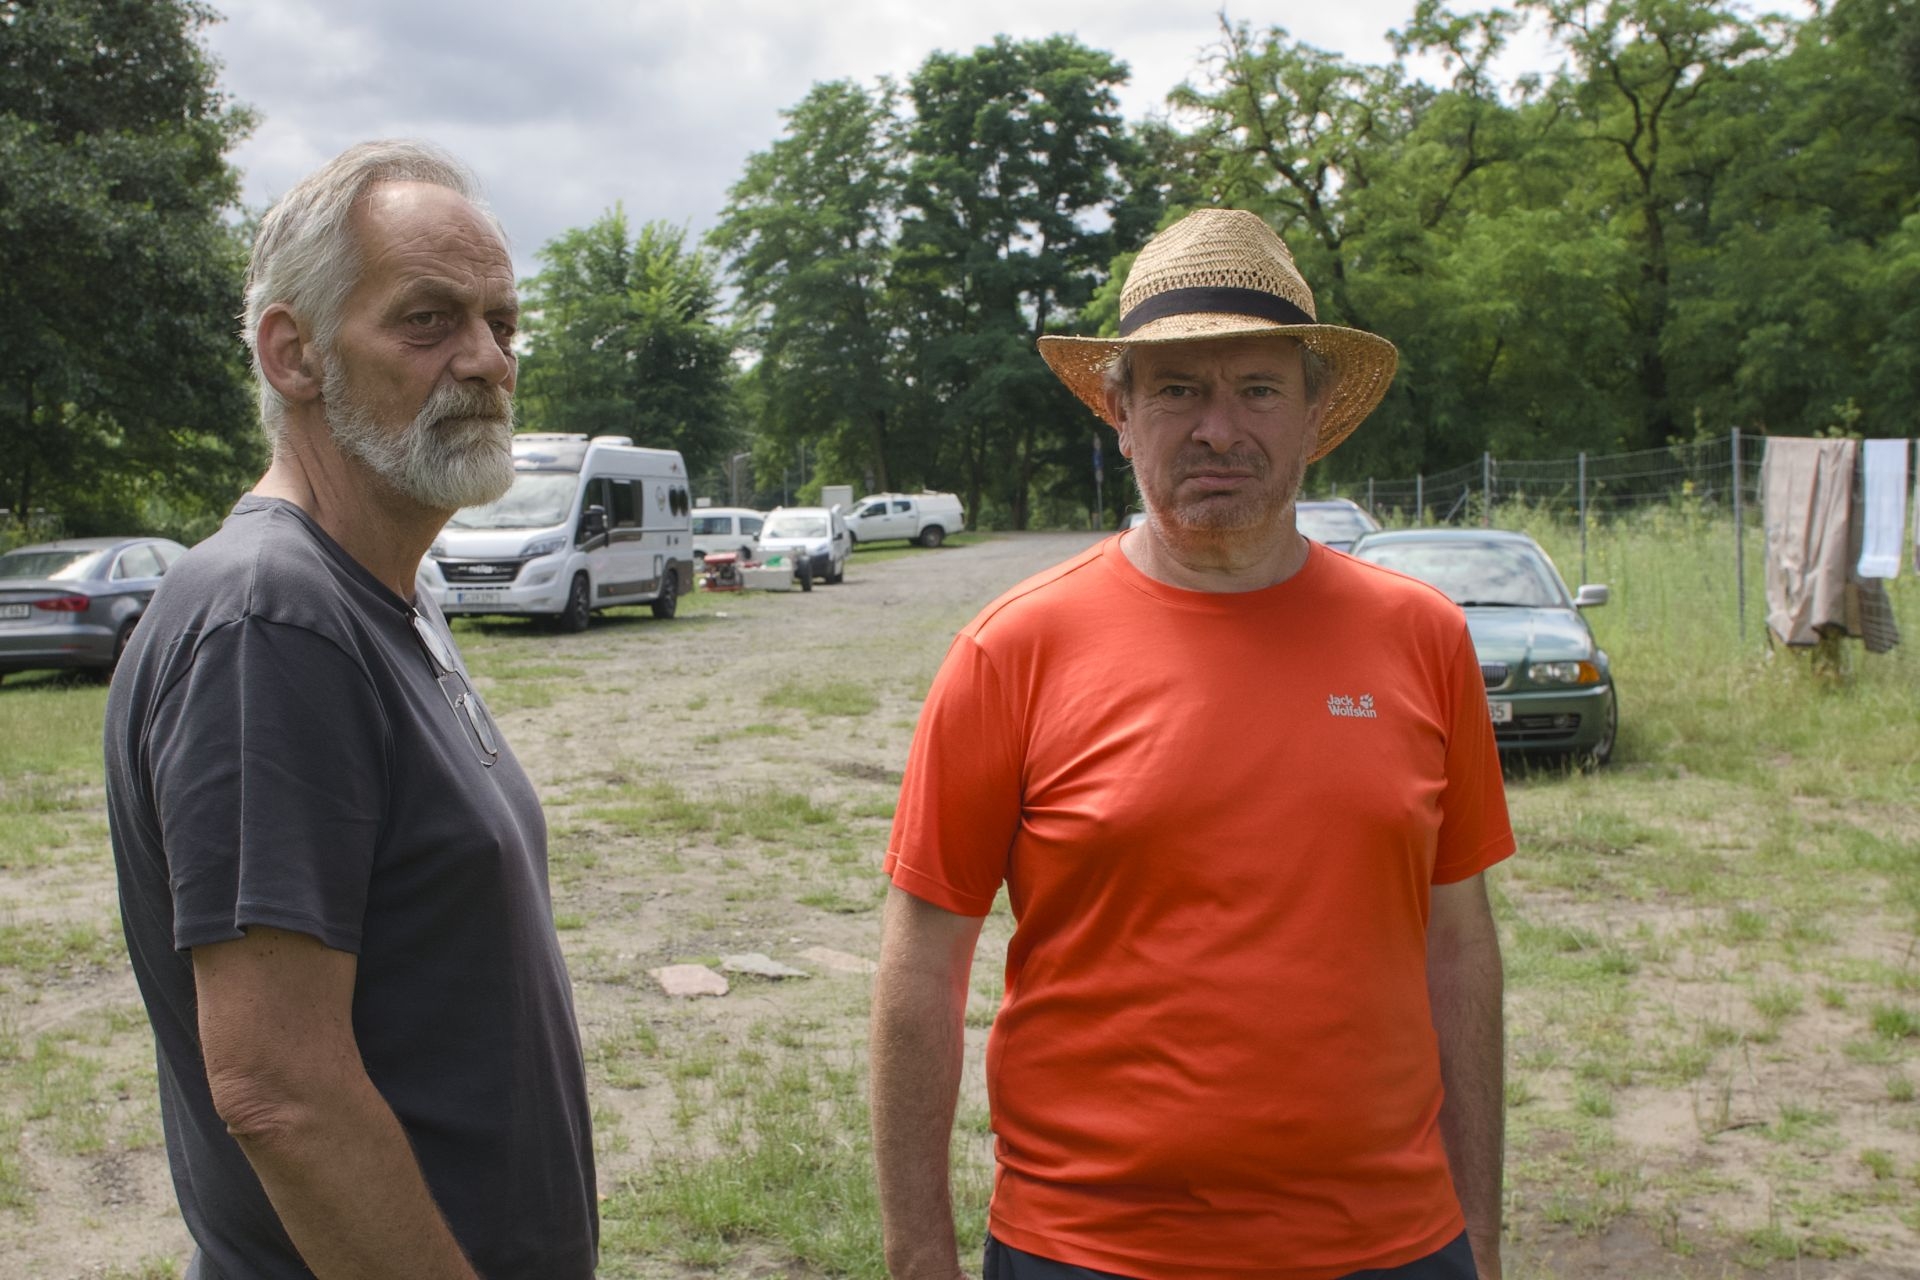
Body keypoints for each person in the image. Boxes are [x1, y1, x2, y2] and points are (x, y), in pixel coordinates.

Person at [870, 208, 1511, 1280]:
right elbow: (923, 966)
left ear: (1314, 415)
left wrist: (1481, 1239)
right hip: (1089, 1248)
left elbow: (1459, 947)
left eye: (1257, 387)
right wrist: (919, 1256)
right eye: (1177, 389)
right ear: (1120, 414)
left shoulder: (1423, 637)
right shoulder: (1013, 648)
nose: (1219, 427)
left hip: (1390, 1244)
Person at [104, 141, 597, 1279]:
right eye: (428, 321)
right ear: (296, 354)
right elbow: (280, 1089)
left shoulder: (388, 592)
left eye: (502, 325)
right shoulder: (268, 619)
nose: (485, 360)